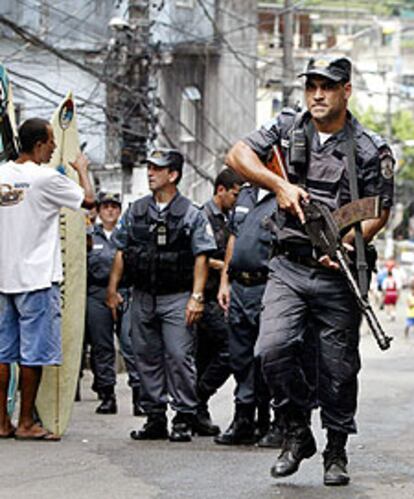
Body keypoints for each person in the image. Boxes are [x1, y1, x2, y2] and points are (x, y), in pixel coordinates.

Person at [225, 56, 394, 485]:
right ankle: (297, 430)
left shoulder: (369, 148)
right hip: (287, 265)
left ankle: (336, 448)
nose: (318, 94)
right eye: (312, 86)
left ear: (346, 91)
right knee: (271, 349)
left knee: (338, 367)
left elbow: (379, 211)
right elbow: (238, 154)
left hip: (338, 273)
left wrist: (347, 242)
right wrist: (278, 185)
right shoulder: (287, 128)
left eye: (328, 86)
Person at [106, 148, 216, 442]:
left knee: (180, 357)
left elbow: (201, 257)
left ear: (173, 175)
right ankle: (154, 416)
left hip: (176, 297)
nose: (151, 173)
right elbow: (121, 249)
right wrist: (113, 290)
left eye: (158, 168)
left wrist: (196, 297)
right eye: (149, 168)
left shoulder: (191, 213)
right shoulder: (137, 210)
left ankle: (183, 416)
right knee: (146, 357)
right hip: (142, 296)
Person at [0, 117, 94, 440]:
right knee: (32, 354)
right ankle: (25, 422)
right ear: (39, 144)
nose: (54, 146)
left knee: (2, 353)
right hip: (37, 279)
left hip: (2, 278)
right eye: (51, 141)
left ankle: (1, 422)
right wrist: (81, 168)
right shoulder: (45, 178)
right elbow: (89, 200)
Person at [214, 185, 279, 446]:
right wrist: (224, 281)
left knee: (268, 357)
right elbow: (233, 238)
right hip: (239, 286)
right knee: (240, 358)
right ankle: (243, 420)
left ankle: (273, 422)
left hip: (268, 285)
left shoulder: (285, 195)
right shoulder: (245, 195)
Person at [194, 168, 242, 436]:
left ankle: (196, 408)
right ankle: (197, 397)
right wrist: (227, 266)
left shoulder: (231, 218)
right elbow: (200, 256)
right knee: (228, 347)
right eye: (234, 194)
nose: (237, 199)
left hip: (223, 295)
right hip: (207, 295)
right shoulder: (203, 217)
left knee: (208, 354)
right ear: (220, 190)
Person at [86, 191, 142, 415]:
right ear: (99, 210)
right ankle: (107, 395)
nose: (110, 210)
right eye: (105, 206)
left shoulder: (129, 234)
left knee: (131, 344)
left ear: (120, 210)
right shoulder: (90, 236)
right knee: (102, 347)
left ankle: (140, 395)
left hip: (125, 293)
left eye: (114, 206)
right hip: (97, 293)